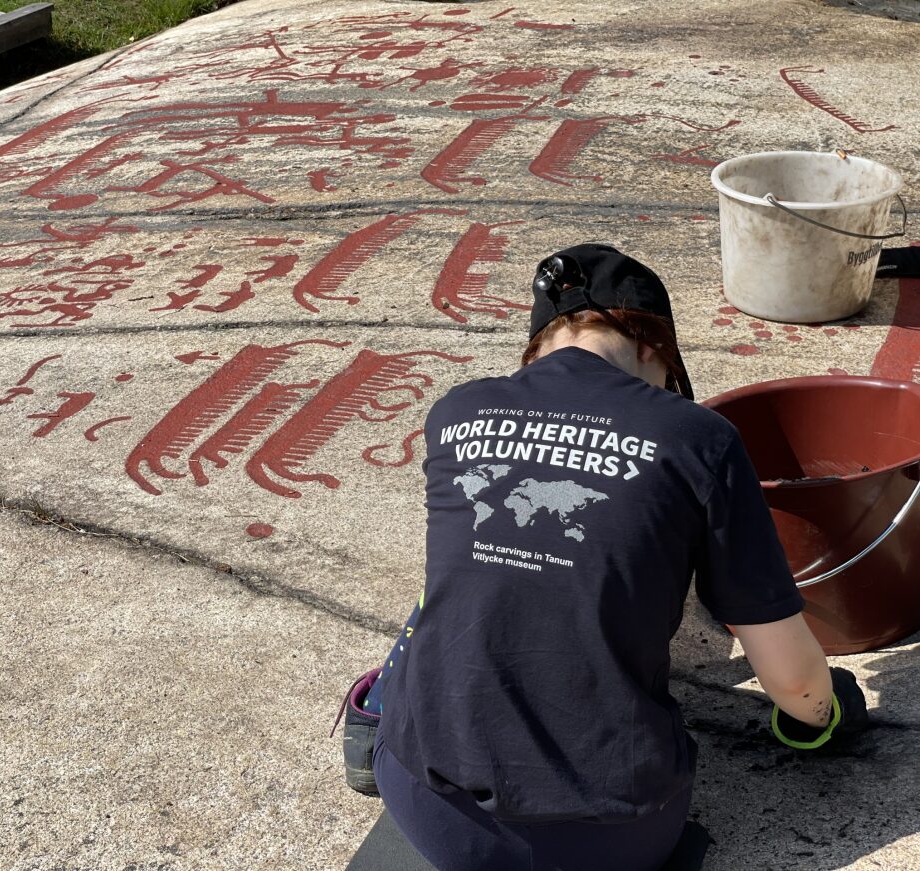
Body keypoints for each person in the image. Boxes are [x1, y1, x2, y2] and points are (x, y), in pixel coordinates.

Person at [337, 244, 869, 871]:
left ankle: (372, 722)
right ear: (656, 350)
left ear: (538, 346)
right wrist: (825, 711)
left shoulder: (456, 410)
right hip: (605, 841)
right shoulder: (697, 438)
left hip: (422, 805)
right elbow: (795, 682)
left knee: (460, 575)